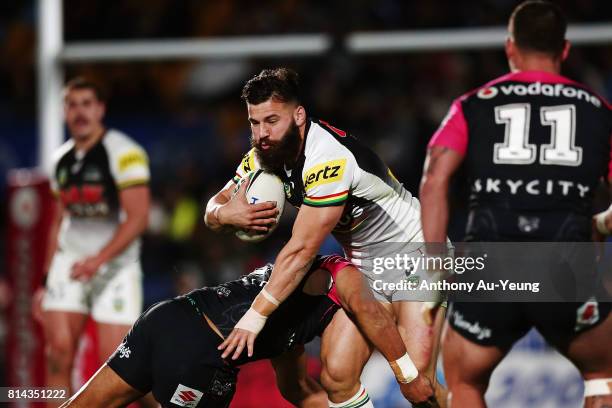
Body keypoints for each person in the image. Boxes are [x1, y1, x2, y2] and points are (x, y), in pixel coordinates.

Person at [205, 68, 444, 407]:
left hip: (417, 254)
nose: (262, 133)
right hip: (366, 267)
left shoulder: (328, 159)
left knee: (418, 384)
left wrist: (254, 317)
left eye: (272, 120)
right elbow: (213, 207)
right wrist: (223, 214)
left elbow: (301, 250)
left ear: (299, 115)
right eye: (254, 123)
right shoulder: (263, 155)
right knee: (337, 378)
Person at [419, 1, 612, 406]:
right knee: (601, 373)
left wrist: (435, 266)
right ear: (564, 49)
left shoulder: (472, 104)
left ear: (510, 47)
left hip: (492, 262)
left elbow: (434, 180)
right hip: (566, 264)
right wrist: (602, 223)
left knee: (465, 382)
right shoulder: (599, 111)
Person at [59, 255, 432, 407]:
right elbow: (368, 311)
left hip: (164, 319)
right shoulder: (337, 273)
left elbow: (299, 392)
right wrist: (407, 375)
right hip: (199, 355)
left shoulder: (292, 335)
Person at [38, 77, 151, 405]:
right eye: (72, 104)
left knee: (118, 370)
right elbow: (59, 220)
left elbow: (138, 217)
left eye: (87, 103)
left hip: (115, 267)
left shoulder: (125, 153)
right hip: (70, 262)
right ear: (64, 111)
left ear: (100, 109)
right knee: (57, 353)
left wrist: (99, 260)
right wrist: (46, 279)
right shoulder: (60, 159)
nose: (79, 112)